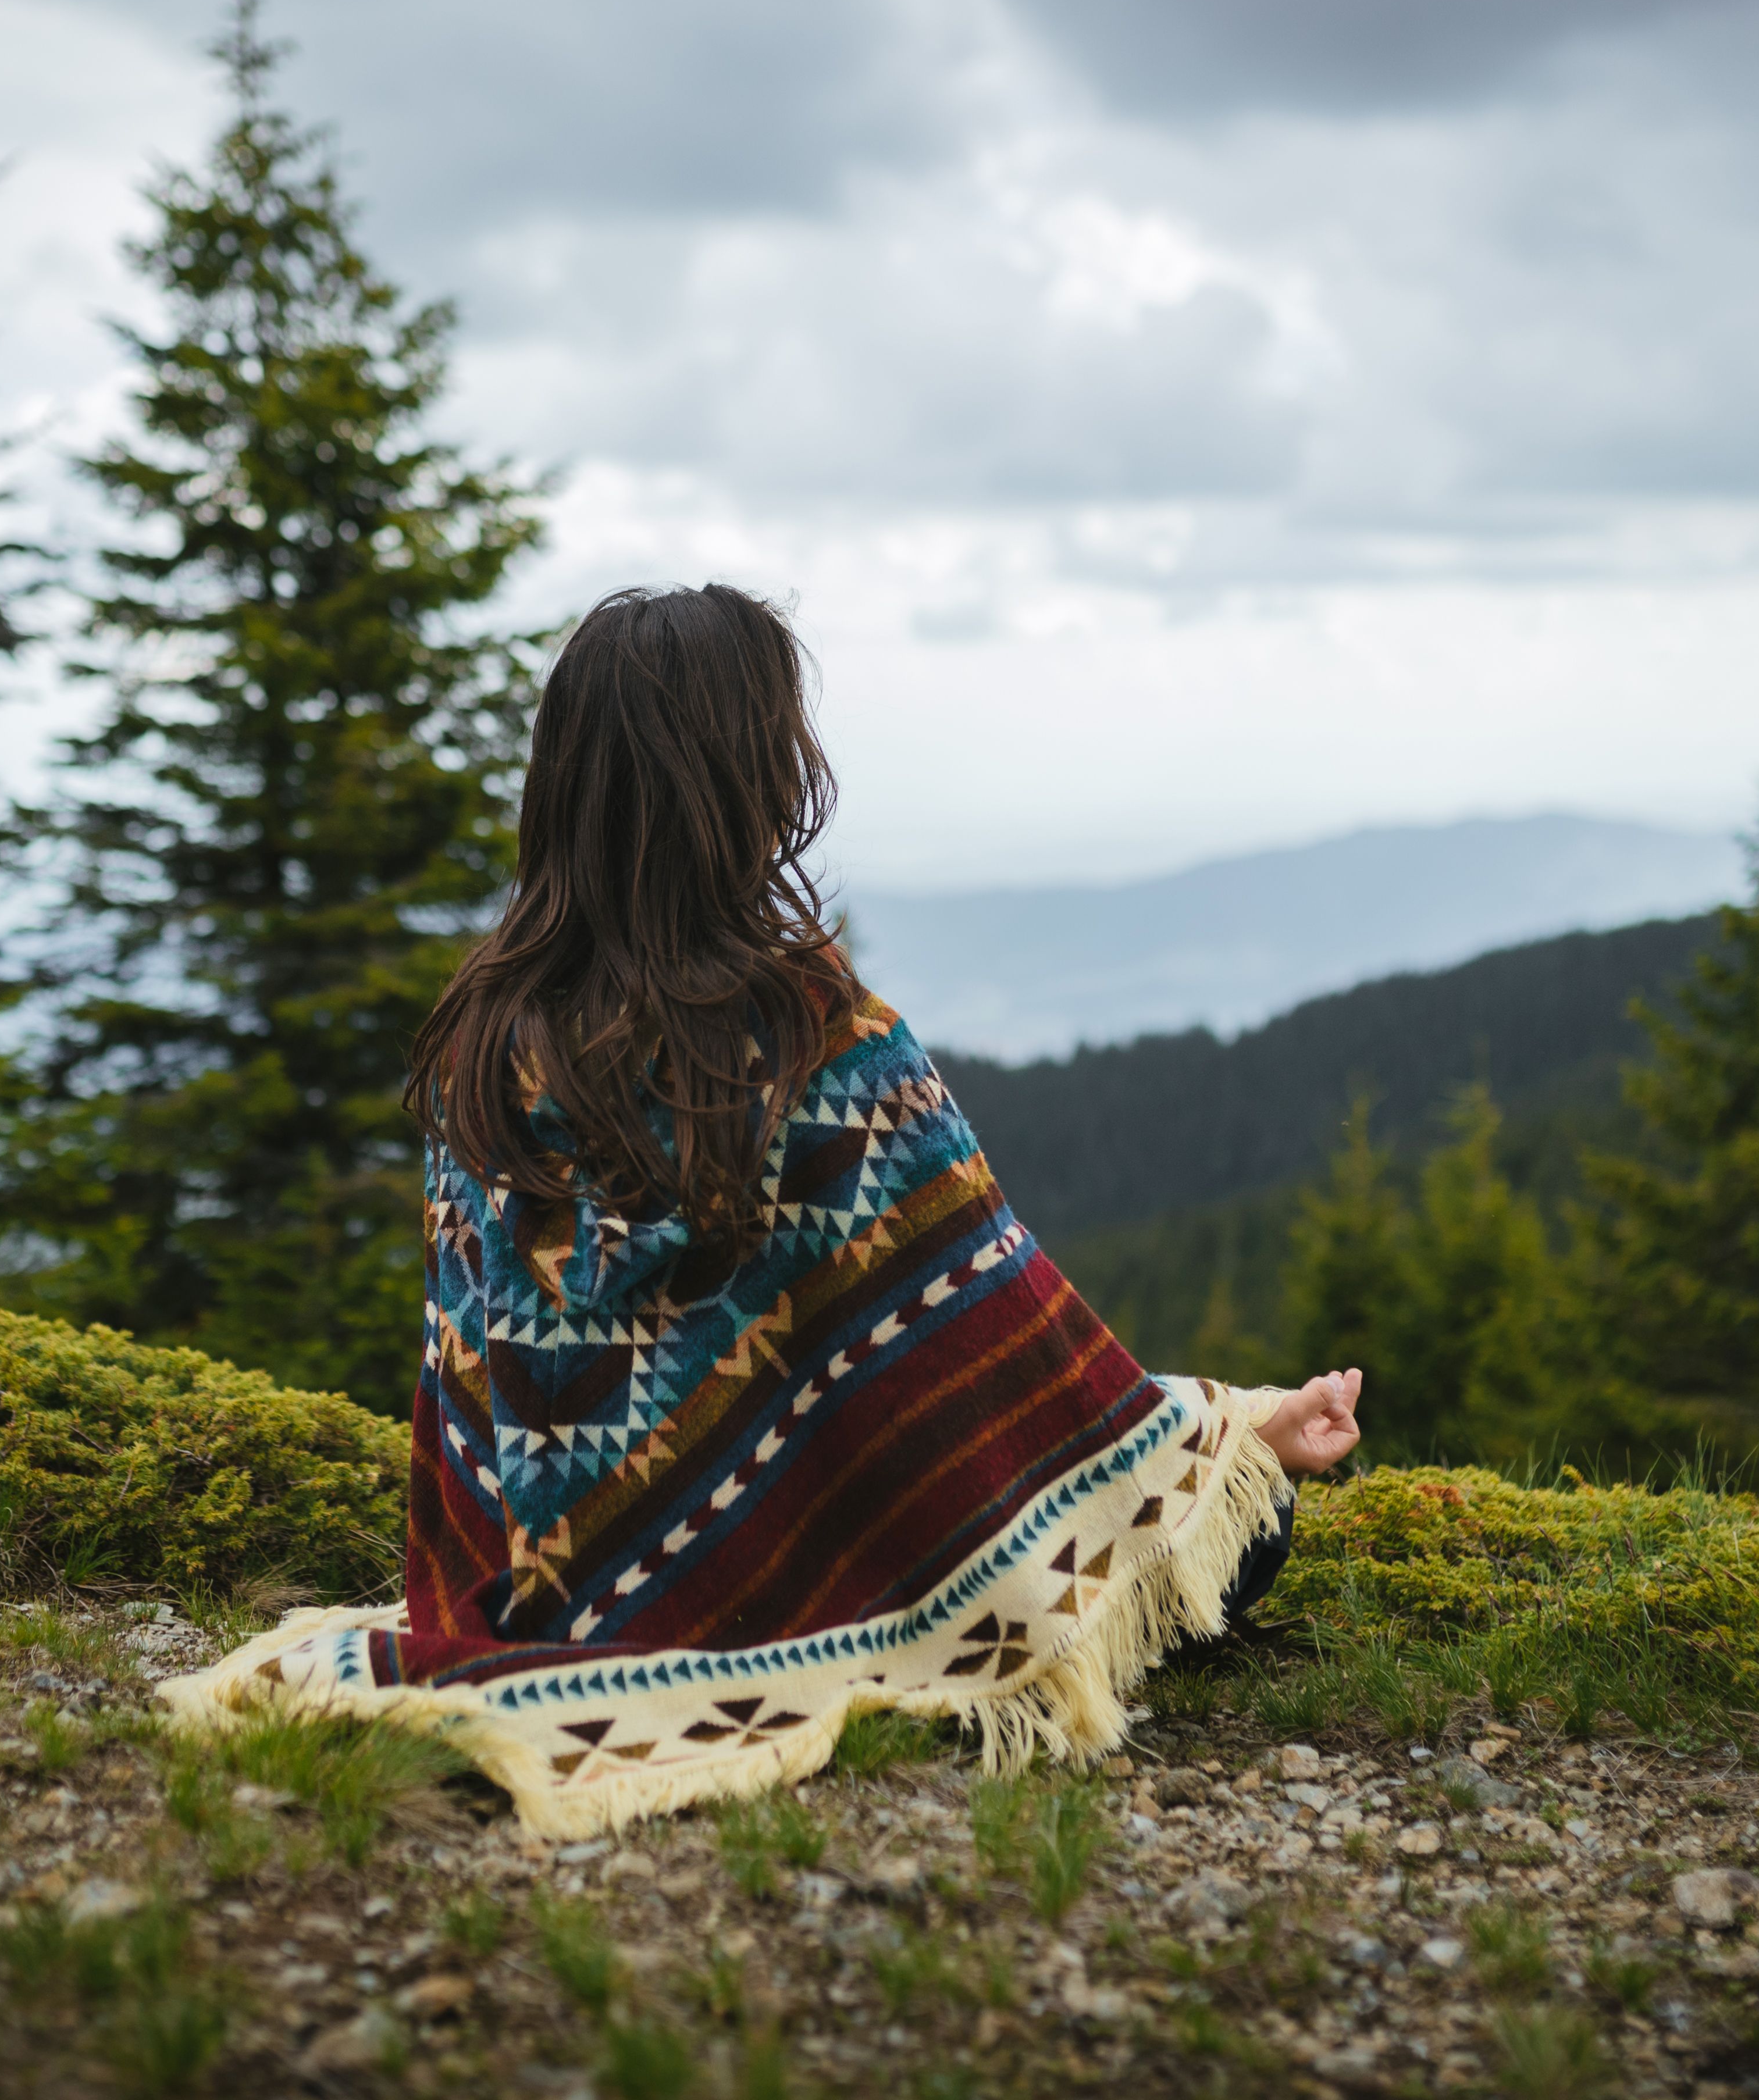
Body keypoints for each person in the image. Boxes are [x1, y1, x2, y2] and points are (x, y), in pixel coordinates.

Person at [160, 584, 1363, 1835]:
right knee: (1229, 1524)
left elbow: (502, 1399)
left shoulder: (484, 1048)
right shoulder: (825, 1048)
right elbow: (992, 1364)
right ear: (755, 788)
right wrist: (1236, 1429)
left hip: (507, 1613)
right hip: (773, 1608)